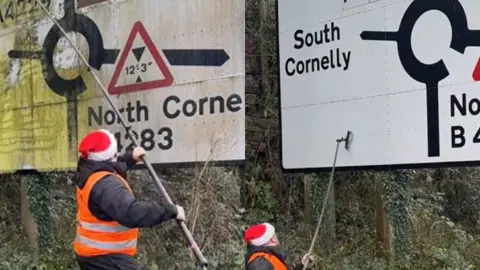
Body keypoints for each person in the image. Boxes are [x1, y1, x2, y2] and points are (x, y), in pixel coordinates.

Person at [73, 129, 185, 270]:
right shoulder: (106, 184)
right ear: (109, 155)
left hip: (92, 254)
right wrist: (170, 211)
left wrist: (130, 158)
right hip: (106, 257)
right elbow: (131, 213)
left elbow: (111, 166)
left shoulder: (88, 170)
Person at [244, 223, 313, 270]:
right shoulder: (260, 264)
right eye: (275, 235)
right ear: (272, 239)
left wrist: (302, 265)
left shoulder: (267, 258)